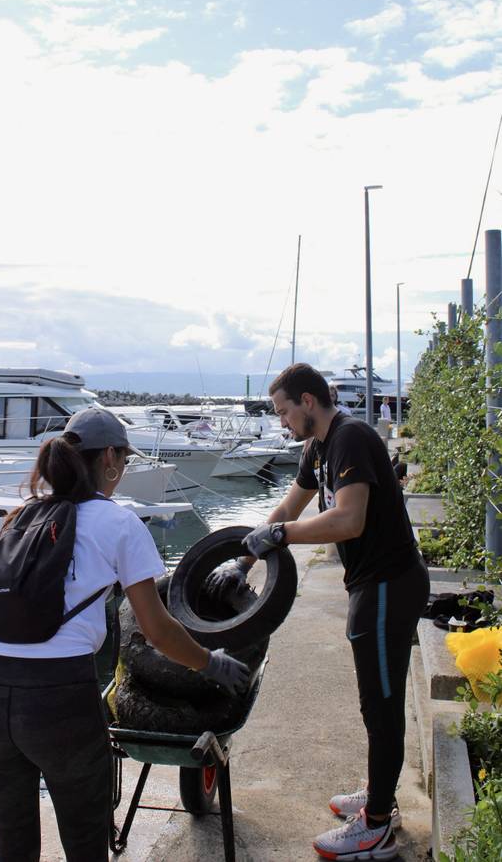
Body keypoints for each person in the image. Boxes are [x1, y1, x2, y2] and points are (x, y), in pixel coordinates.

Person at [0, 407, 248, 862]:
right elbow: (158, 631)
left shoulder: (22, 516)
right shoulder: (118, 522)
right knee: (86, 842)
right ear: (110, 459)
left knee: (12, 845)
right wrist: (210, 663)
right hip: (58, 696)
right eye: (126, 459)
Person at [208, 364, 429, 861]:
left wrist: (281, 537)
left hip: (389, 587)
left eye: (284, 412)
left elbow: (349, 520)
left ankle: (377, 827)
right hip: (371, 586)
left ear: (308, 401)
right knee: (375, 702)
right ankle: (380, 793)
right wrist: (243, 562)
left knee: (381, 705)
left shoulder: (350, 438)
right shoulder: (318, 448)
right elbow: (288, 508)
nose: (282, 422)